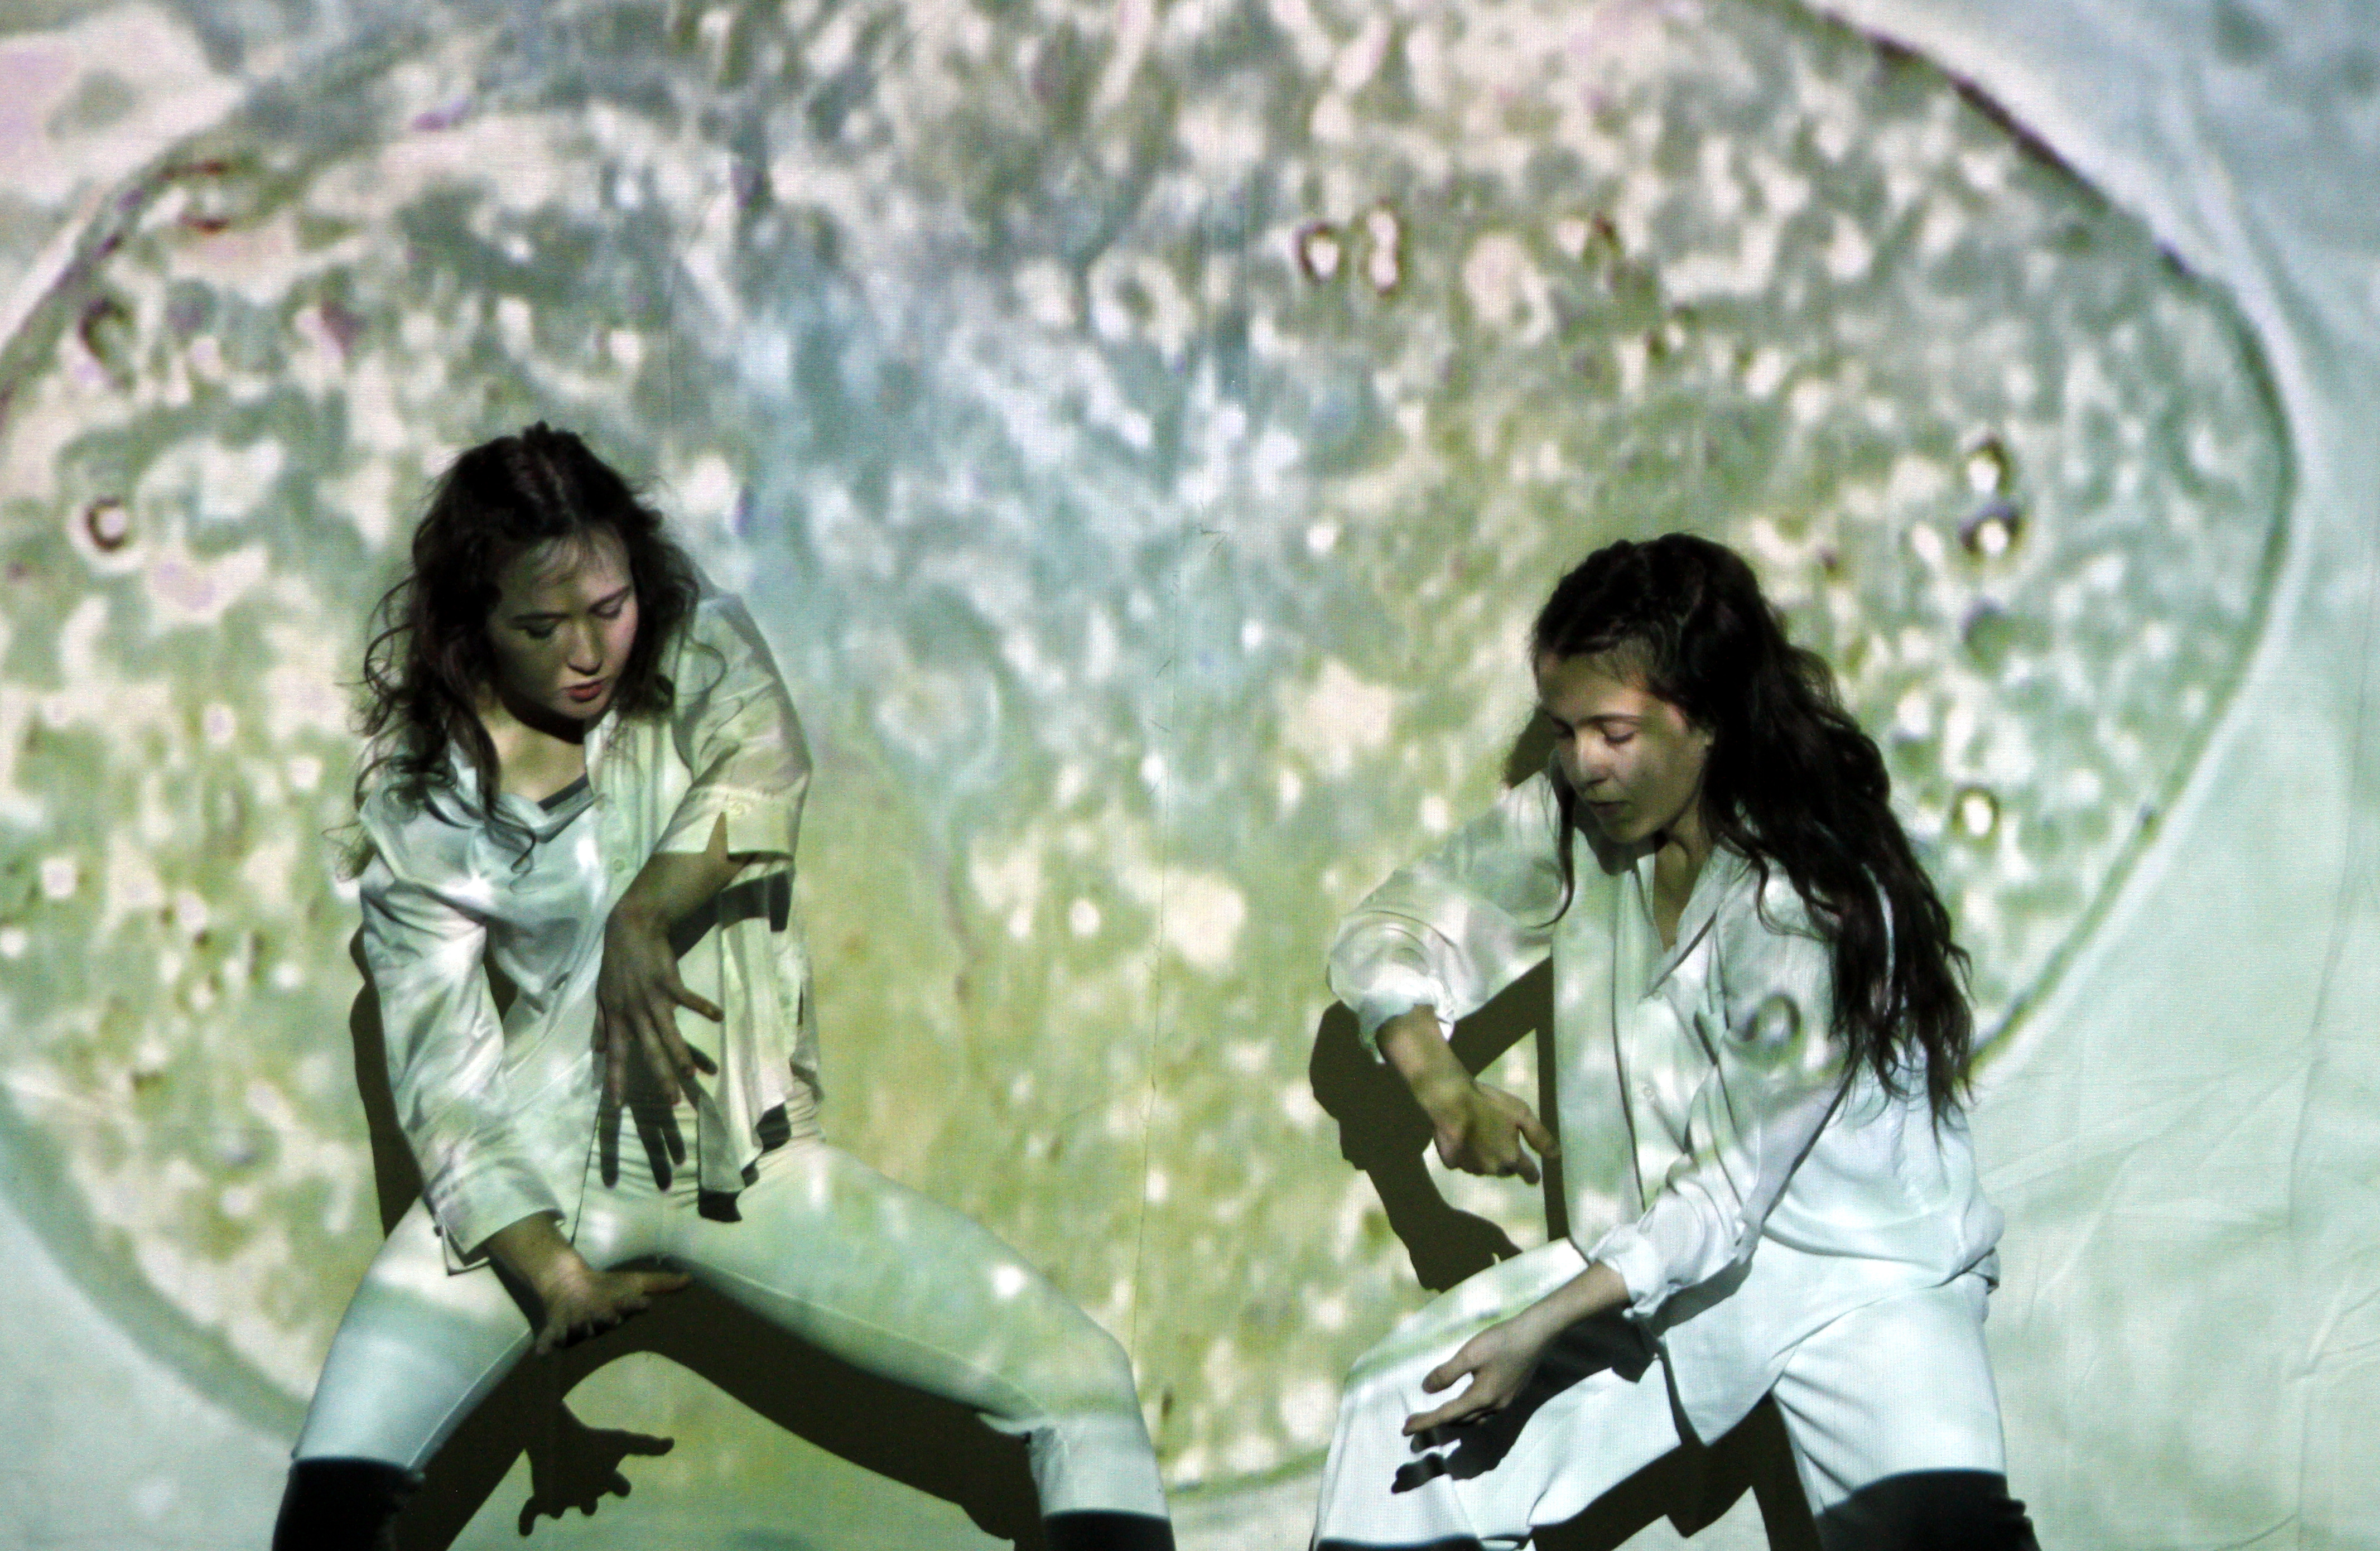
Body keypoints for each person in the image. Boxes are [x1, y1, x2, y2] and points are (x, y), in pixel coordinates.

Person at [273, 424, 1173, 1551]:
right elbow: (442, 1081)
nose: (587, 652)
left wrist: (644, 910)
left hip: (745, 1169)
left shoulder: (697, 652)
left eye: (608, 607)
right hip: (537, 1177)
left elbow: (764, 766)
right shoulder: (422, 812)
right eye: (541, 628)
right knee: (332, 1499)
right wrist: (553, 1277)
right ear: (472, 626)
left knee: (1081, 1381)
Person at [1311, 535, 2037, 1549]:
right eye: (1564, 732)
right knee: (1396, 1412)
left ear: (1708, 719)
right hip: (1650, 1269)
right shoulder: (1579, 821)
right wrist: (1441, 1085)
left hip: (1859, 1283)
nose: (1583, 764)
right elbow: (1389, 929)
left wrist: (1537, 1327)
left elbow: (1722, 1197)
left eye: (1611, 733)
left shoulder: (1807, 905)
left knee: (1941, 1539)